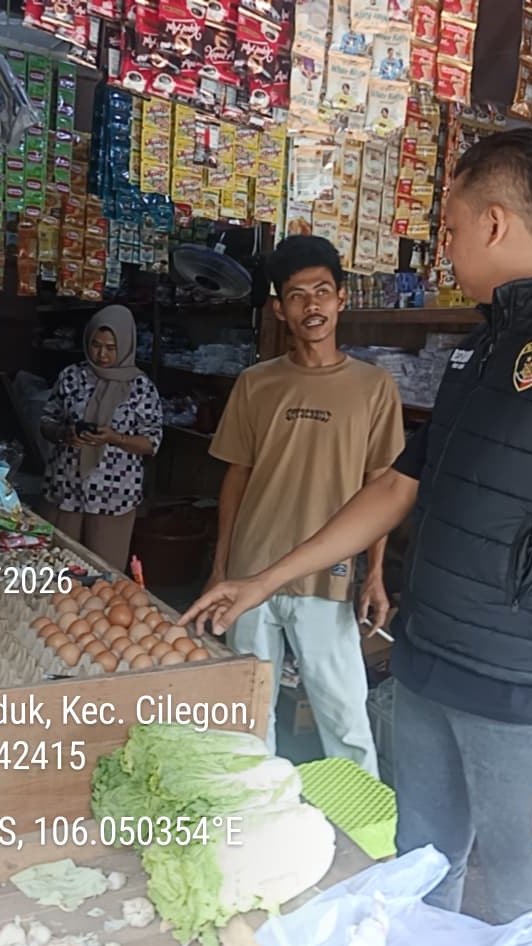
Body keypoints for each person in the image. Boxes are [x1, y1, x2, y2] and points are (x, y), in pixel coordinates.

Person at [183, 130, 532, 946]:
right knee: (416, 880)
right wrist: (263, 580)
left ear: (494, 222)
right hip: (428, 671)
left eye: (449, 228)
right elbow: (396, 487)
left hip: (524, 697)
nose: (443, 246)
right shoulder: (486, 342)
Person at [207, 235, 404, 777]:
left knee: (344, 715)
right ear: (279, 309)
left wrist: (374, 573)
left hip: (329, 577)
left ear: (341, 298)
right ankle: (254, 807)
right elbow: (236, 478)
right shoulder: (255, 384)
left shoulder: (374, 387)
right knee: (246, 713)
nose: (311, 306)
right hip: (251, 571)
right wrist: (221, 567)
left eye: (321, 291)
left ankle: (363, 819)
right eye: (296, 295)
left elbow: (382, 488)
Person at [40, 305, 163, 571]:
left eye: (111, 348)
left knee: (106, 573)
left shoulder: (140, 387)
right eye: (96, 345)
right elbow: (47, 421)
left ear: (126, 345)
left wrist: (115, 438)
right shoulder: (71, 377)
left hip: (114, 496)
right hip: (66, 488)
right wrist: (64, 434)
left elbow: (152, 442)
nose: (102, 354)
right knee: (58, 566)